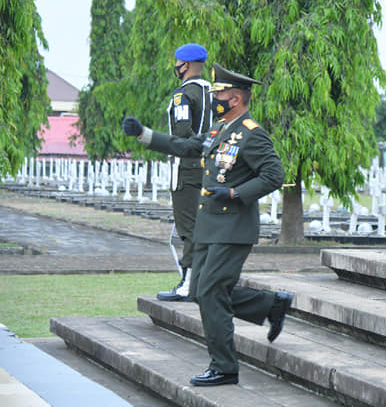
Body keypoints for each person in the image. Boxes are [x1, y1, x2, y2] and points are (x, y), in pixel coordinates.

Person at [121, 63, 292, 387]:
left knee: (211, 291)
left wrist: (234, 192)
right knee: (200, 291)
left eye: (220, 93)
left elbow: (274, 176)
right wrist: (144, 134)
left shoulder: (252, 135)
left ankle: (225, 367)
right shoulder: (218, 130)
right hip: (208, 228)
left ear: (237, 98)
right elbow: (185, 147)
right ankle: (270, 304)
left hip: (233, 228)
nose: (214, 98)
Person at [158, 42, 212, 302]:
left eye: (178, 63)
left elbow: (182, 133)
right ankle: (197, 280)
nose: (176, 67)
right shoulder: (214, 92)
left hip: (186, 170)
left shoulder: (183, 95)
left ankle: (189, 283)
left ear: (186, 65)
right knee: (202, 225)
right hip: (209, 169)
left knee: (189, 227)